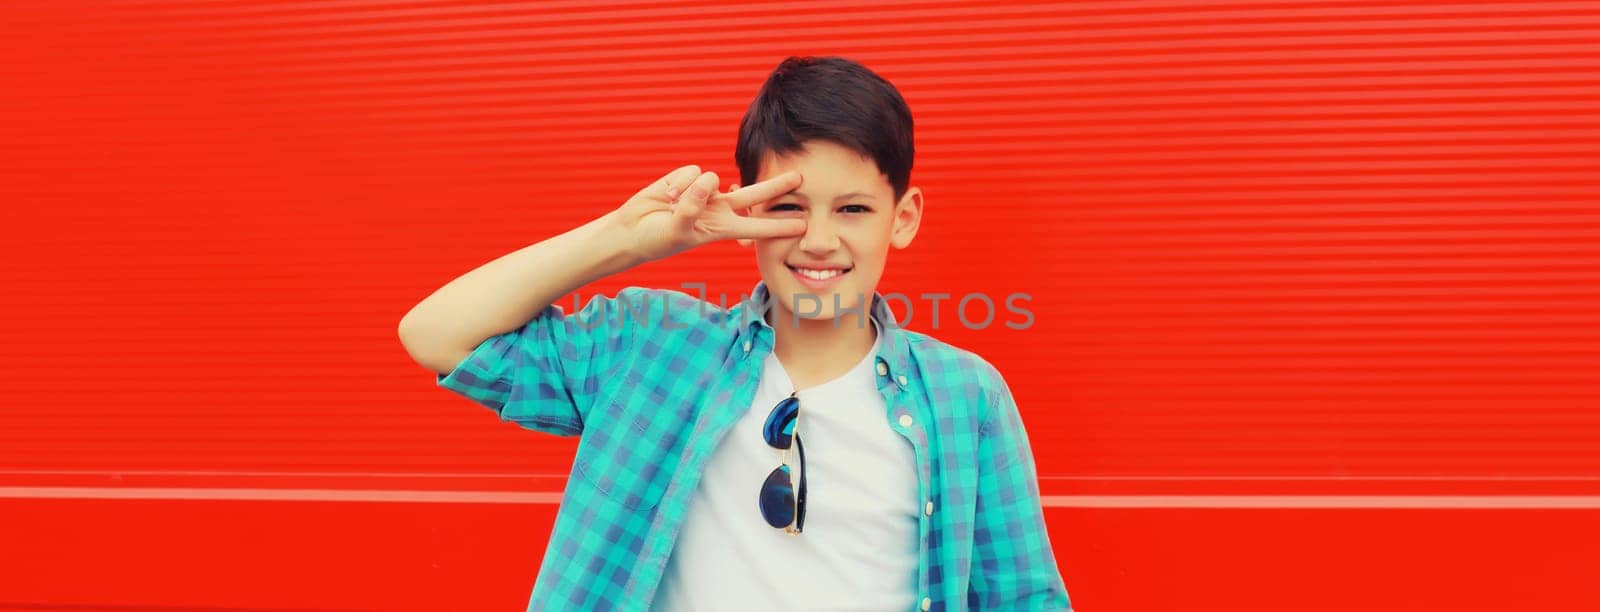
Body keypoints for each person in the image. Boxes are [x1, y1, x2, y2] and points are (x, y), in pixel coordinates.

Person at [398, 56, 1072, 612]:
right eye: (786, 208)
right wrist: (629, 241)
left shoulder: (966, 396)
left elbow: (1024, 598)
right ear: (744, 208)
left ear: (903, 217)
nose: (817, 239)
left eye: (854, 209)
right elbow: (436, 335)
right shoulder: (650, 346)